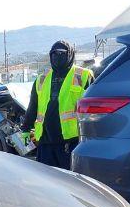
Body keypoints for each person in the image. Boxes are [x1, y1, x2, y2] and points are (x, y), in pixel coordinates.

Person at [22, 40, 93, 169]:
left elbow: (93, 107)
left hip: (71, 141)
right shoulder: (41, 79)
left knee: (69, 180)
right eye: (54, 53)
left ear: (70, 54)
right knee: (46, 179)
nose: (57, 56)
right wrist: (26, 129)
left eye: (62, 53)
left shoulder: (83, 76)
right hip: (45, 141)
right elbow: (33, 106)